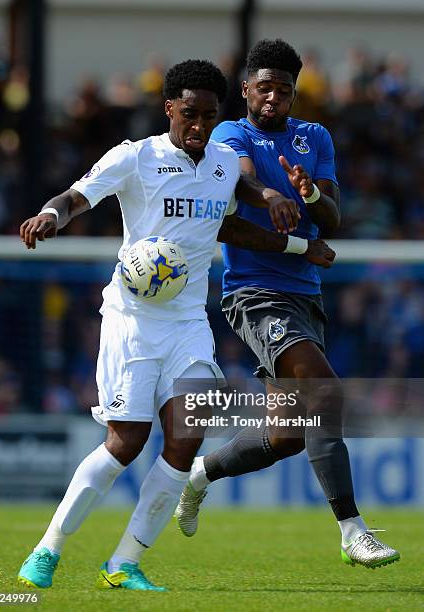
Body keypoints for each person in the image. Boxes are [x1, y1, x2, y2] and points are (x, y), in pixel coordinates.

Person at [17, 58, 335, 592]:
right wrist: (51, 215)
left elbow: (231, 221)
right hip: (132, 319)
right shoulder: (136, 157)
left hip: (187, 320)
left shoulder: (223, 164)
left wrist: (298, 238)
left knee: (186, 438)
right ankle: (47, 550)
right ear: (170, 109)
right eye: (190, 114)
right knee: (126, 441)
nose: (200, 126)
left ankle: (123, 563)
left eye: (209, 116)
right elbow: (76, 197)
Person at [175, 40, 400, 569]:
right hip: (254, 294)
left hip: (305, 296)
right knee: (325, 391)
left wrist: (311, 195)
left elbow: (332, 218)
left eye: (285, 90)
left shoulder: (314, 137)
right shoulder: (231, 134)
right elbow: (246, 181)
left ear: (294, 94)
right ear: (248, 90)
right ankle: (352, 530)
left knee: (287, 436)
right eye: (266, 87)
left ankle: (200, 473)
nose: (274, 97)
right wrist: (275, 196)